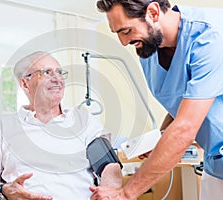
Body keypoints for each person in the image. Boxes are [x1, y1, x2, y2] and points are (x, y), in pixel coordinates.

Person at [90, 0, 223, 199]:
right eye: (116, 33)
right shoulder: (148, 49)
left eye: (126, 31)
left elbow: (185, 128)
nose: (123, 42)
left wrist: (126, 193)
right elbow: (181, 100)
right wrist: (160, 139)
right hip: (216, 164)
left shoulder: (210, 37)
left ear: (153, 12)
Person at [0, 51, 122, 200]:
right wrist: (4, 190)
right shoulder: (5, 127)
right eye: (47, 72)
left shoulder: (84, 120)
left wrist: (109, 191)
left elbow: (109, 167)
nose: (57, 79)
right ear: (25, 83)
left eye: (59, 72)